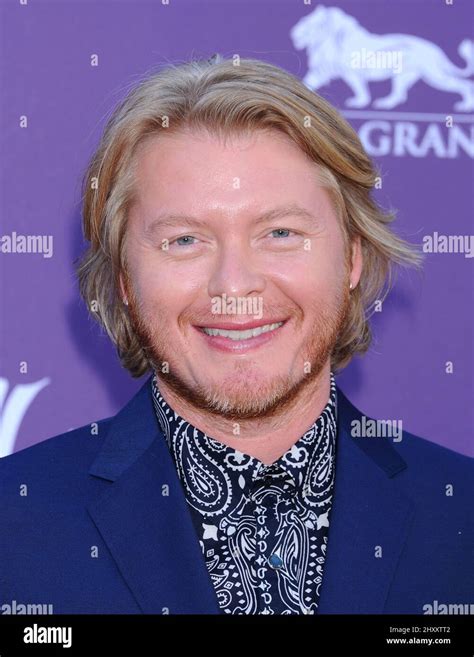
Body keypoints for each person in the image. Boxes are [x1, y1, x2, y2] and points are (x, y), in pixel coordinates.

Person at [1, 57, 472, 615]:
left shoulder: (460, 515)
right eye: (183, 240)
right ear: (125, 280)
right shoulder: (14, 524)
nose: (234, 286)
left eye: (279, 232)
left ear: (351, 257)